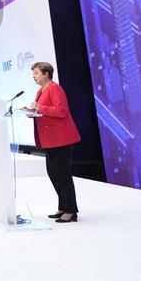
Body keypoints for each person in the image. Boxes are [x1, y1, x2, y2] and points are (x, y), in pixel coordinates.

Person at [25, 61, 81, 224]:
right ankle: (63, 206)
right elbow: (42, 109)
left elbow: (61, 111)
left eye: (36, 73)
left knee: (62, 174)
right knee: (54, 173)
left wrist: (39, 108)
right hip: (49, 139)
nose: (34, 76)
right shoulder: (40, 91)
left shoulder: (55, 88)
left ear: (46, 74)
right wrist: (31, 111)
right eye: (33, 74)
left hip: (60, 138)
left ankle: (71, 210)